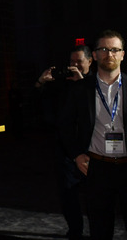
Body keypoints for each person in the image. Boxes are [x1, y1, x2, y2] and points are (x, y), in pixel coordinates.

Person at [61, 30, 127, 239]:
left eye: (115, 49)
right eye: (104, 49)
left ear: (123, 54)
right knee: (99, 228)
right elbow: (65, 125)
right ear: (95, 55)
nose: (110, 54)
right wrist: (76, 154)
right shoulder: (81, 89)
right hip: (97, 168)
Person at [35, 45, 92, 239]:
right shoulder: (63, 83)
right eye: (71, 62)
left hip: (92, 147)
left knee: (95, 195)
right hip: (65, 148)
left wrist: (82, 82)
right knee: (68, 194)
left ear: (90, 61)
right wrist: (41, 83)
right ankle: (75, 231)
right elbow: (39, 106)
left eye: (79, 62)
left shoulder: (95, 82)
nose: (74, 66)